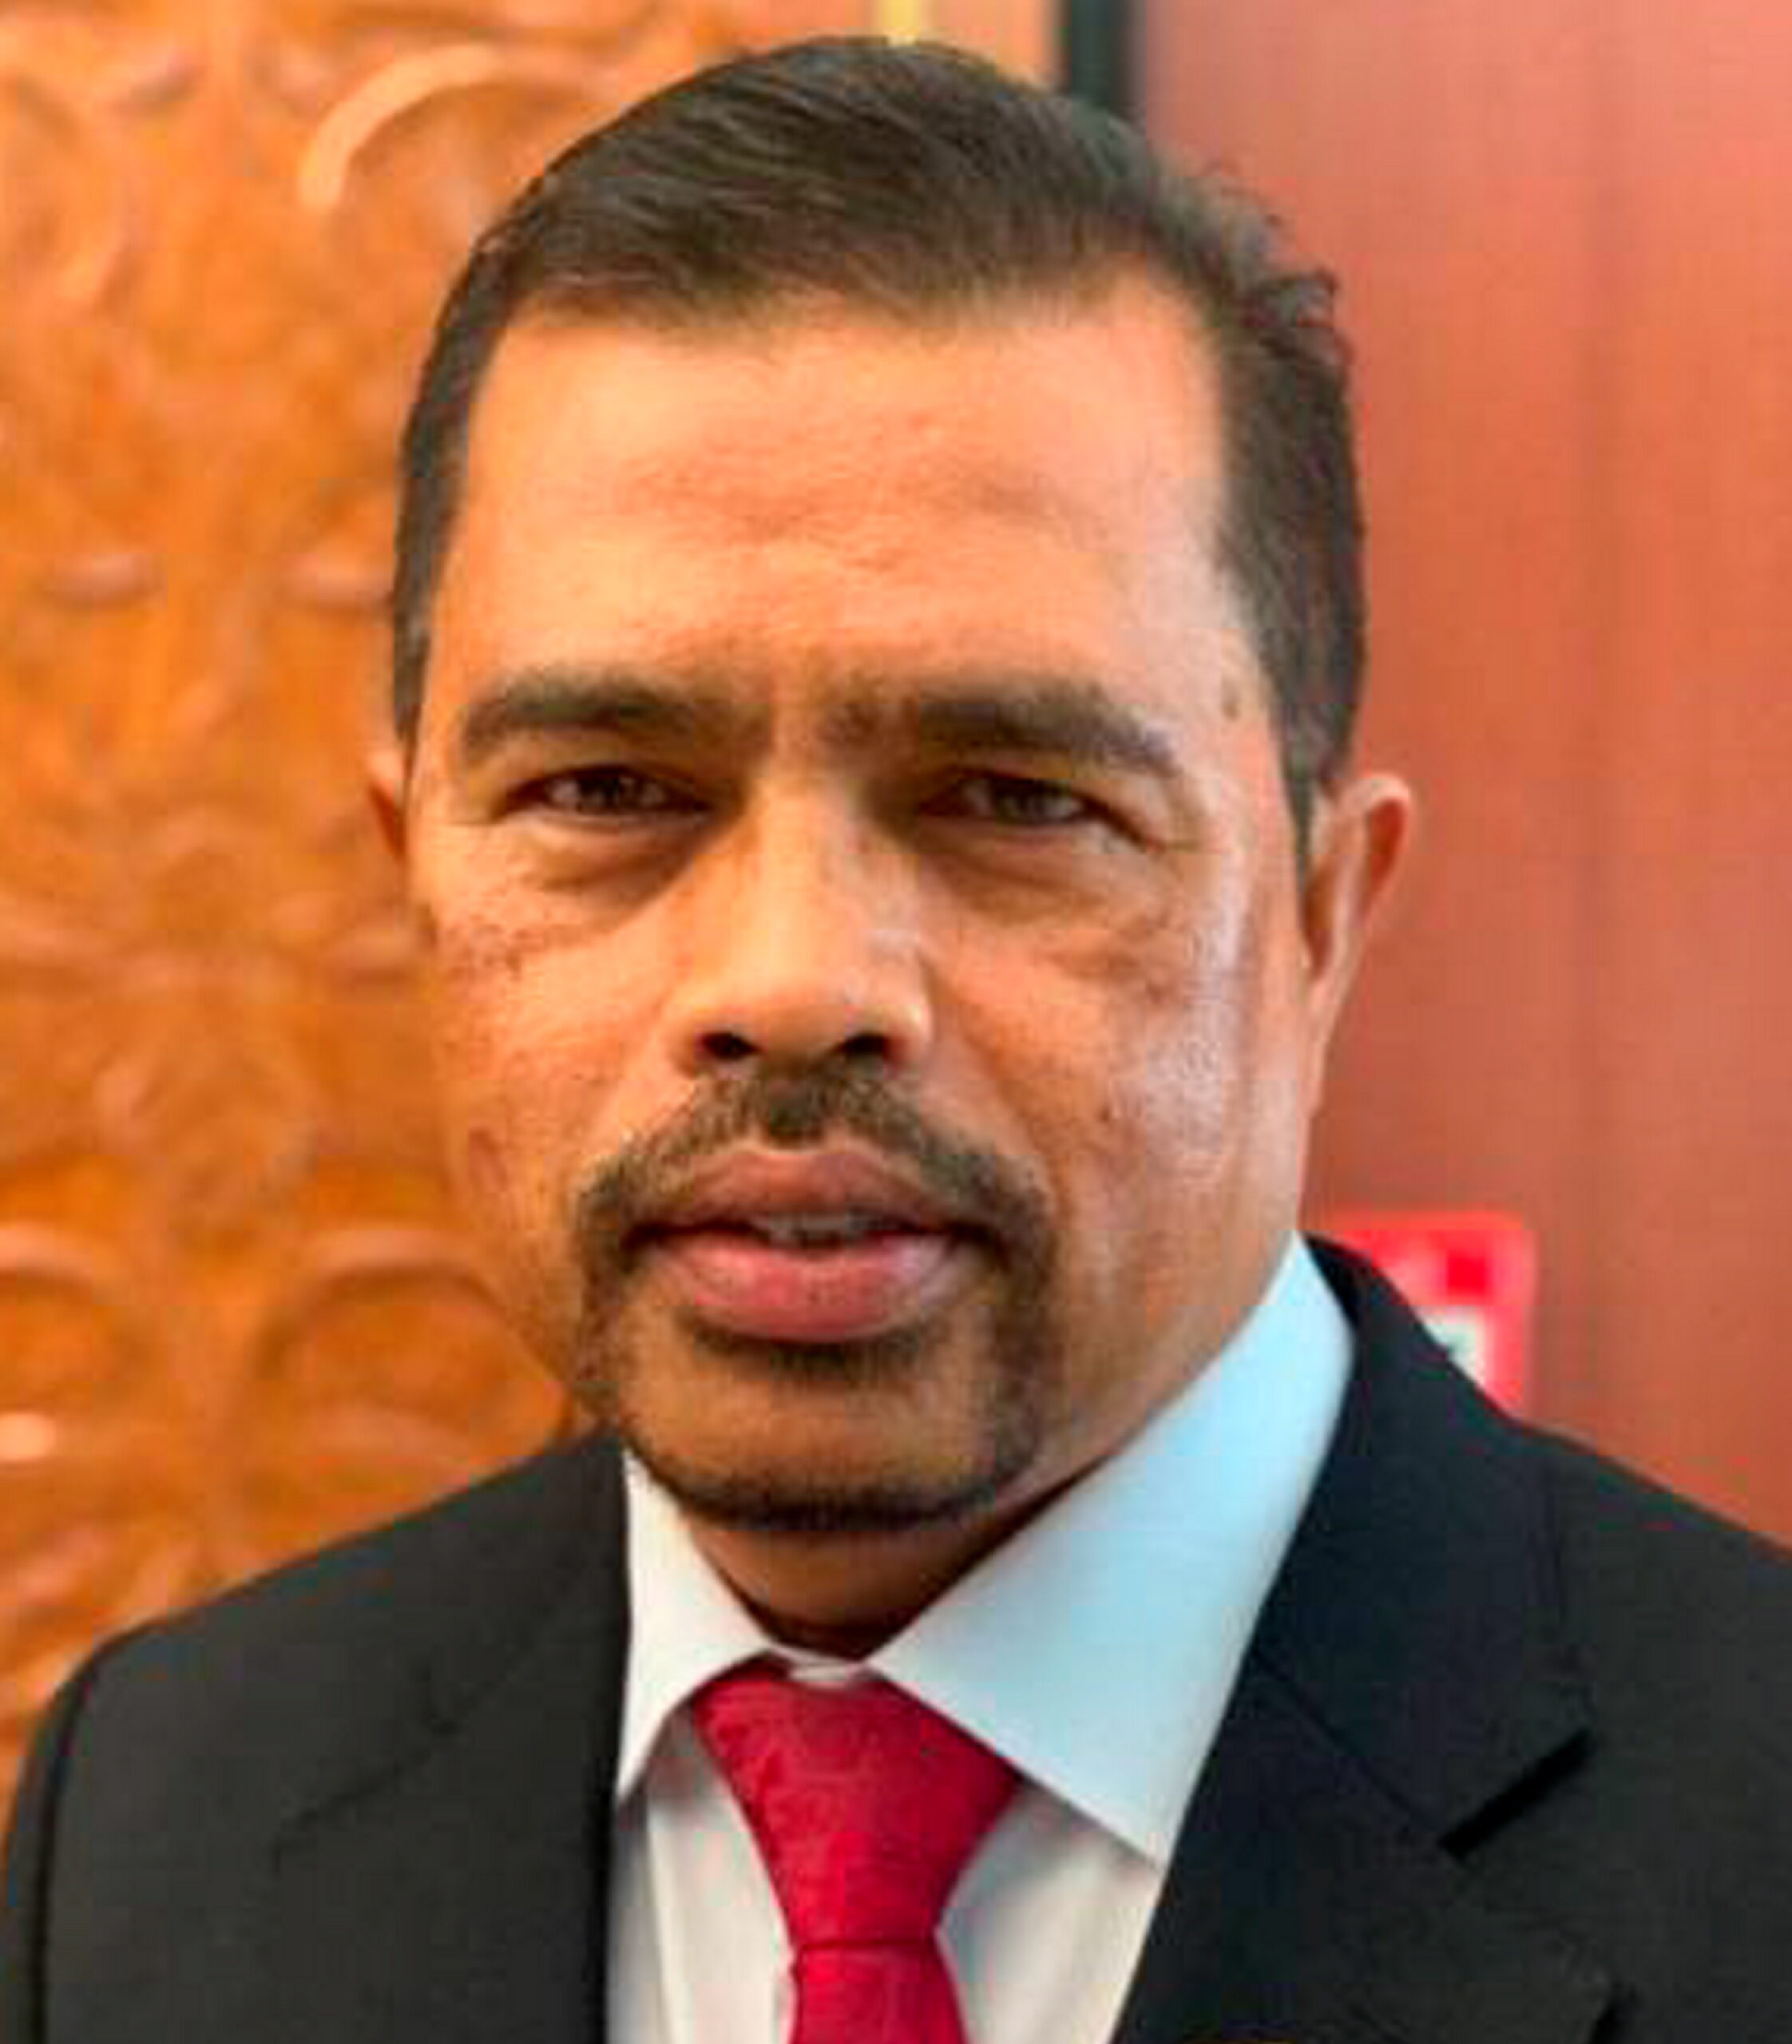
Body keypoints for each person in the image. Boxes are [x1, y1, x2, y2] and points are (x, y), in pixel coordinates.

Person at [4, 35, 1790, 2044]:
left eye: (1014, 797)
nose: (791, 976)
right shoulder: (164, 1812)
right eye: (609, 790)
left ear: (1321, 918)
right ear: (417, 874)